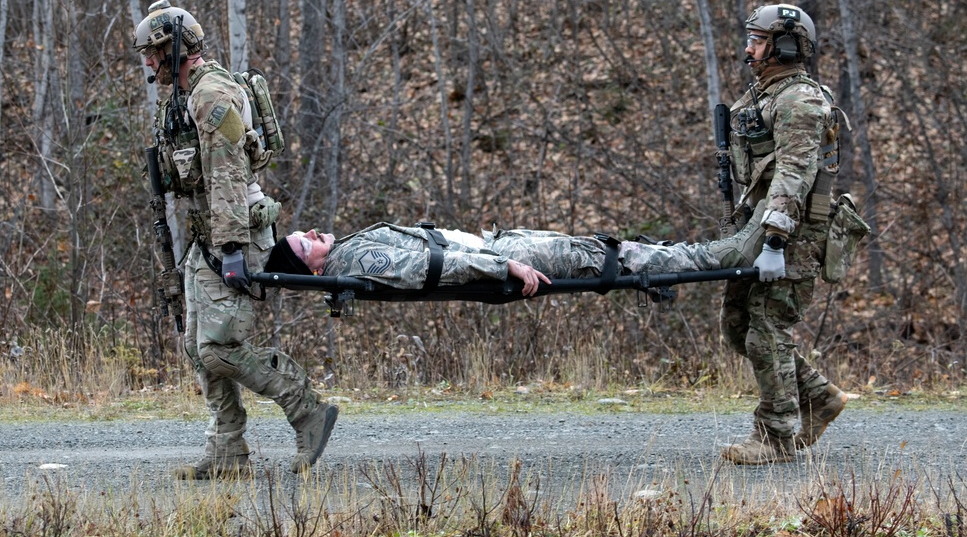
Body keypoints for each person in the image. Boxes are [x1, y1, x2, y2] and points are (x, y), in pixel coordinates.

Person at [134, 0, 337, 480]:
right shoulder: (181, 96)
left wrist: (229, 252)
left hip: (236, 236)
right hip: (210, 236)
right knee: (195, 344)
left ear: (174, 49)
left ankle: (306, 410)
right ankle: (227, 448)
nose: (147, 62)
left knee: (221, 346)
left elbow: (226, 177)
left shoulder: (212, 96)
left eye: (152, 52)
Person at [717, 3, 849, 465]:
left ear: (786, 45)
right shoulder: (764, 96)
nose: (747, 48)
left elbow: (794, 170)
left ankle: (775, 434)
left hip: (794, 232)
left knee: (767, 328)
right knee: (738, 327)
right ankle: (819, 396)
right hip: (762, 226)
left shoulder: (800, 101)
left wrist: (775, 240)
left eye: (757, 39)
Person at [263, 218, 770, 297]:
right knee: (610, 258)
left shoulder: (347, 253)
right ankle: (729, 251)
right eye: (306, 242)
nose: (312, 232)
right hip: (500, 255)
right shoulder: (352, 261)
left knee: (607, 253)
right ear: (312, 267)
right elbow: (428, 268)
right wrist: (501, 265)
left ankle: (723, 248)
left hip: (496, 246)